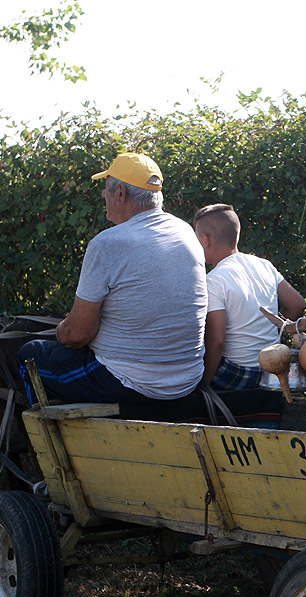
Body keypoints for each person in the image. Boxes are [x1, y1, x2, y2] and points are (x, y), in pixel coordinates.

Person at [18, 152, 207, 409]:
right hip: (188, 378)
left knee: (29, 355)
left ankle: (45, 444)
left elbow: (78, 335)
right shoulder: (185, 232)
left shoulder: (108, 244)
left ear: (120, 193)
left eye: (106, 190)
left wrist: (62, 331)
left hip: (130, 381)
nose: (103, 196)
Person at [193, 203, 306, 391]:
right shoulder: (264, 265)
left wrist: (203, 384)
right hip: (271, 371)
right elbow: (297, 304)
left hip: (237, 373)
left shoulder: (213, 280)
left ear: (205, 239)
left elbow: (217, 340)